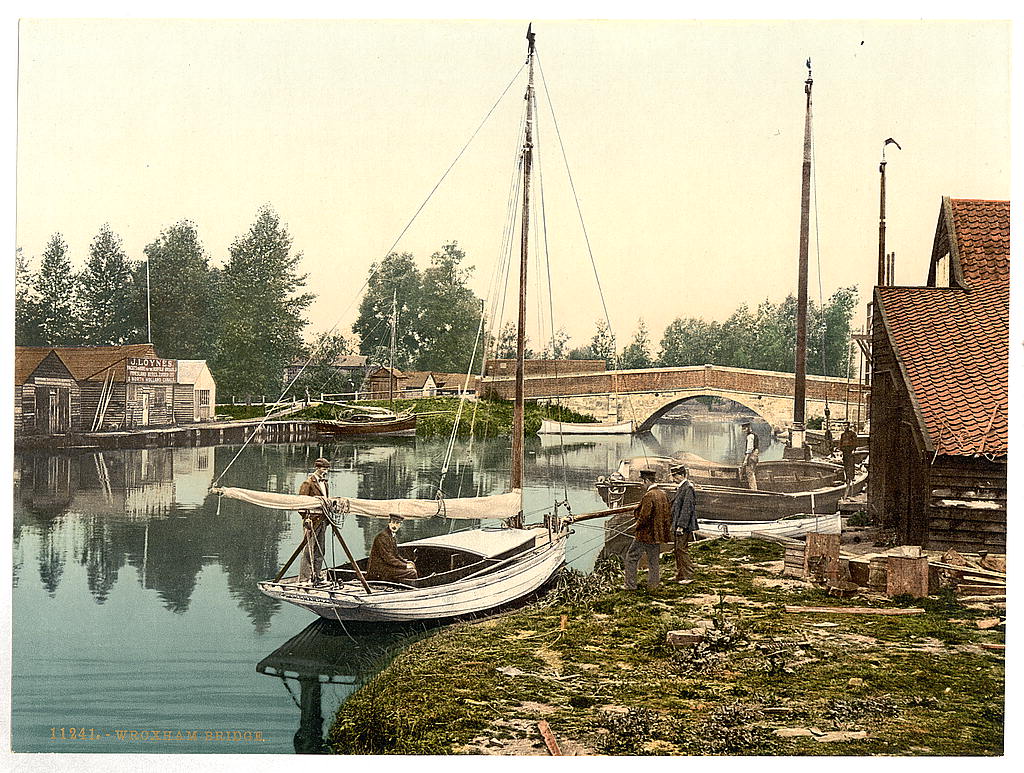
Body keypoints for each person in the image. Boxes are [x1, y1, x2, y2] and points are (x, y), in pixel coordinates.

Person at [624, 469, 672, 590]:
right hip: (657, 535)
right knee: (653, 560)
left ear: (646, 481)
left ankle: (630, 585)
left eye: (643, 482)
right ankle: (653, 585)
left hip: (645, 535)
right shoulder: (663, 494)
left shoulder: (649, 495)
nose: (642, 484)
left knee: (631, 557)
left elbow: (644, 516)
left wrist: (636, 528)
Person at [297, 457, 332, 584]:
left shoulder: (325, 483)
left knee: (320, 549)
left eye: (327, 469)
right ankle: (305, 578)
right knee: (308, 551)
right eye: (323, 469)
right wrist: (306, 518)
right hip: (312, 521)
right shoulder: (308, 483)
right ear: (317, 468)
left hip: (323, 520)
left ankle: (317, 575)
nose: (325, 471)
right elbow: (300, 504)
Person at [367, 514, 418, 583]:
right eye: (393, 522)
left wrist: (406, 562)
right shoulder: (382, 537)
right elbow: (388, 558)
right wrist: (405, 566)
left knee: (412, 566)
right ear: (389, 523)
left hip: (386, 566)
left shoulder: (391, 535)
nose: (395, 525)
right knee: (412, 572)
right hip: (379, 570)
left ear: (400, 525)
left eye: (397, 523)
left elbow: (396, 555)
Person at [670, 464, 698, 584]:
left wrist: (681, 526)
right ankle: (680, 574)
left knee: (681, 549)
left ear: (682, 475)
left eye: (675, 476)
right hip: (678, 525)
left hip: (683, 526)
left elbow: (687, 509)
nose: (673, 479)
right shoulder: (682, 487)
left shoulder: (688, 488)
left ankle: (688, 575)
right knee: (677, 549)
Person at [839, 423, 859, 498]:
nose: (845, 427)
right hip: (845, 451)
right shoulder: (843, 435)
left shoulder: (852, 434)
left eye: (846, 426)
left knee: (851, 464)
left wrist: (854, 449)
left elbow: (855, 442)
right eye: (844, 426)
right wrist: (840, 450)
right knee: (845, 464)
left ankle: (851, 477)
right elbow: (841, 443)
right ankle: (847, 477)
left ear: (848, 426)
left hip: (850, 450)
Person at [742, 422, 759, 490]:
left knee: (749, 473)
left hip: (751, 456)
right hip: (755, 455)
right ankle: (754, 488)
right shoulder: (755, 435)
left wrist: (745, 460)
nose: (744, 431)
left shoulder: (750, 436)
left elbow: (749, 449)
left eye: (744, 429)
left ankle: (753, 490)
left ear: (748, 428)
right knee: (752, 473)